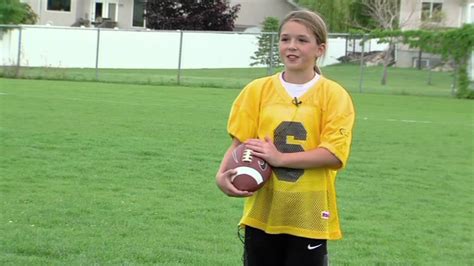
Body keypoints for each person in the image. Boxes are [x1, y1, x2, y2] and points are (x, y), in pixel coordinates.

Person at [216, 10, 355, 266]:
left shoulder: (334, 95)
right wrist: (221, 175)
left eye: (302, 40)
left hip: (308, 212)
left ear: (319, 49)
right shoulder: (257, 90)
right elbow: (239, 143)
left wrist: (280, 158)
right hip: (263, 209)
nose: (291, 46)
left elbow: (333, 154)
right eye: (285, 39)